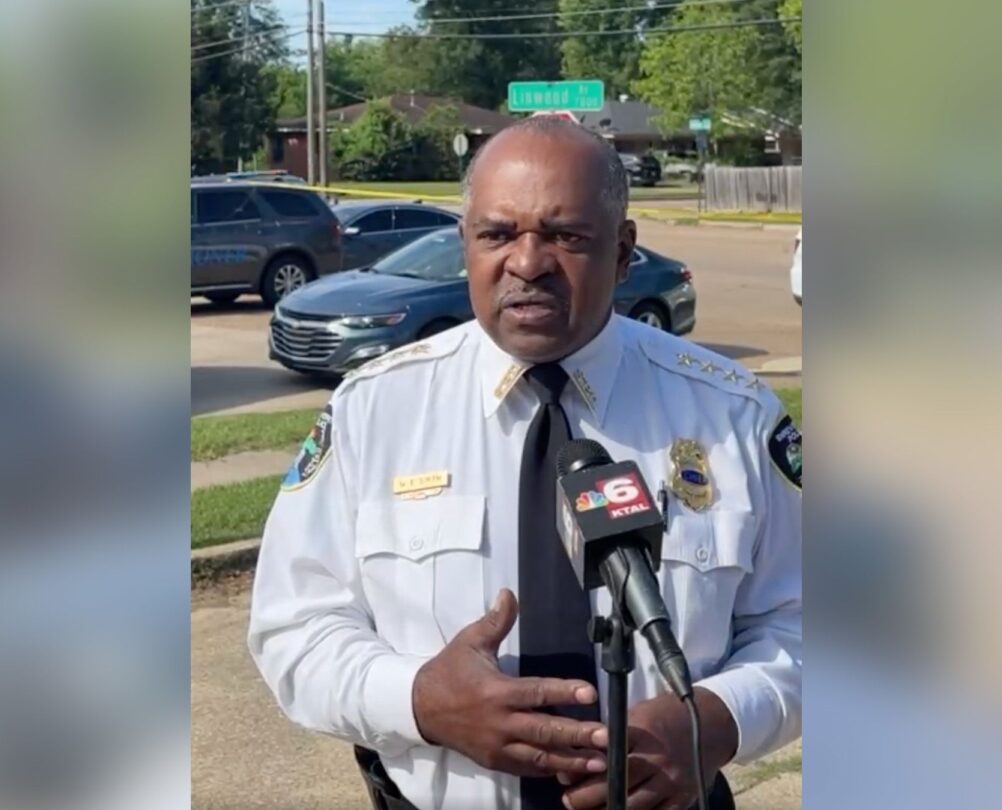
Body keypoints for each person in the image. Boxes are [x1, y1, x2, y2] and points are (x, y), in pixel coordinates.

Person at [248, 117, 801, 810]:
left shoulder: (731, 414)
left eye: (566, 236)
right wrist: (419, 700)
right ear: (465, 246)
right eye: (498, 234)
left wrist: (716, 719)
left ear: (625, 252)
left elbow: (808, 622)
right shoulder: (374, 412)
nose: (528, 262)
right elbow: (292, 626)